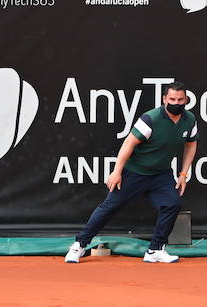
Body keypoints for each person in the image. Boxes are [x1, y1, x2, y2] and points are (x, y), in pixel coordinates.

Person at [65, 82, 196, 263]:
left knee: (172, 204)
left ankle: (155, 250)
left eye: (180, 99)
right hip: (134, 172)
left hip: (161, 174)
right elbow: (129, 143)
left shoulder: (189, 120)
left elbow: (191, 144)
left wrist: (183, 174)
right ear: (164, 99)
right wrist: (117, 172)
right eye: (172, 99)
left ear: (186, 100)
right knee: (109, 207)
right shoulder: (150, 119)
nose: (176, 102)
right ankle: (79, 245)